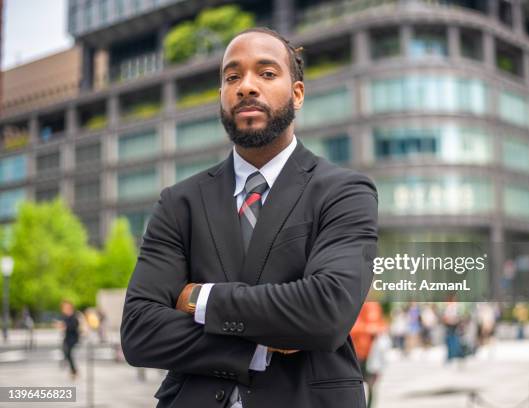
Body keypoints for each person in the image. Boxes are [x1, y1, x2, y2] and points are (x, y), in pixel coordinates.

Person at [120, 26, 379, 408]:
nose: (246, 86)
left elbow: (326, 312)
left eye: (267, 73)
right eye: (232, 77)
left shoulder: (345, 193)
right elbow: (141, 331)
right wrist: (255, 348)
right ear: (221, 97)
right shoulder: (179, 203)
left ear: (297, 93)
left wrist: (200, 298)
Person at [350, 301, 387, 408]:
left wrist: (377, 329)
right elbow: (350, 328)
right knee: (356, 384)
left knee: (371, 384)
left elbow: (381, 325)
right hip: (358, 353)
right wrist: (367, 329)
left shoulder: (374, 305)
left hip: (372, 355)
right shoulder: (356, 304)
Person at [57, 300, 79, 380]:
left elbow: (74, 326)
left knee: (68, 353)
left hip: (73, 338)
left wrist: (64, 326)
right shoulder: (65, 316)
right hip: (67, 338)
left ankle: (74, 371)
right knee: (66, 352)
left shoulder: (74, 316)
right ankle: (72, 369)